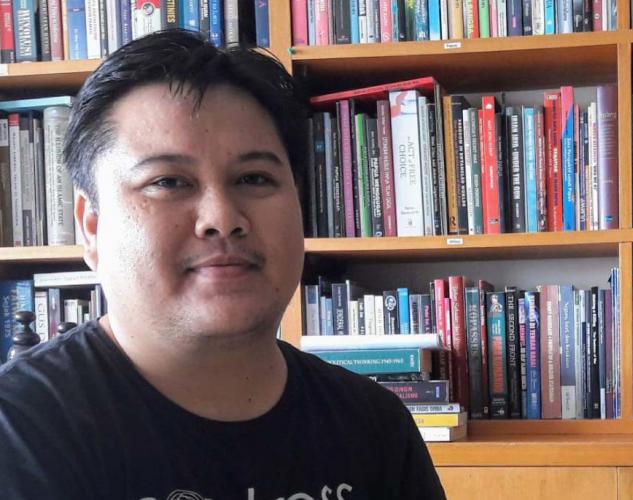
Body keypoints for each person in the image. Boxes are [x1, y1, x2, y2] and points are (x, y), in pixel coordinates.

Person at [0, 30, 446, 500]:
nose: (222, 218)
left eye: (254, 178)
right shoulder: (21, 428)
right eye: (168, 182)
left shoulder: (373, 424)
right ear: (91, 227)